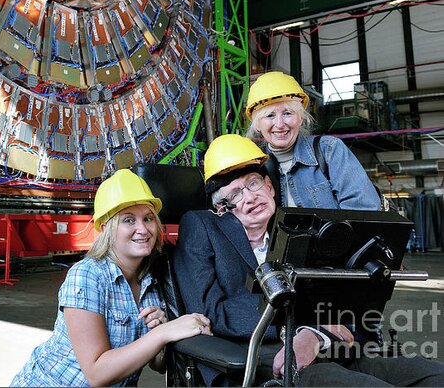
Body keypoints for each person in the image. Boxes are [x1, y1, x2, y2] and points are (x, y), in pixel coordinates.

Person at [174, 134, 444, 386]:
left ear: (269, 187)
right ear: (222, 207)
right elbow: (212, 311)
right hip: (256, 352)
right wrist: (300, 326)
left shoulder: (295, 229)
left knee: (430, 375)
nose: (249, 197)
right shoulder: (201, 226)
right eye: (234, 194)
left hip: (328, 344)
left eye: (253, 184)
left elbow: (329, 300)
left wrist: (314, 333)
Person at [10, 168, 211, 387]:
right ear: (107, 229)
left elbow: (158, 365)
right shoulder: (87, 276)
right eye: (128, 220)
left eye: (148, 218)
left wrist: (163, 334)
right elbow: (97, 373)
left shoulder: (154, 280)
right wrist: (163, 333)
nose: (142, 229)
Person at [245, 71, 382, 211]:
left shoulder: (329, 151)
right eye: (270, 115)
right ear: (256, 124)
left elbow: (364, 210)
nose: (279, 124)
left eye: (287, 113)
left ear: (300, 118)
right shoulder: (253, 166)